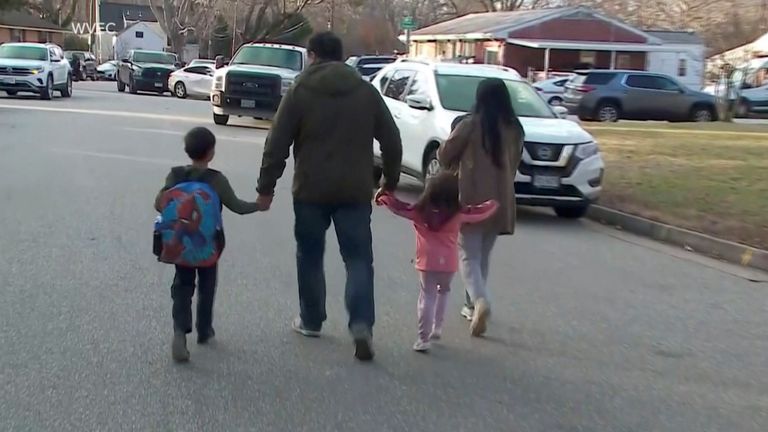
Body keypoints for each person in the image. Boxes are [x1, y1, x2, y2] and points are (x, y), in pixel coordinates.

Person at [255, 32, 402, 361]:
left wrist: (266, 187)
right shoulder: (365, 91)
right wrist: (390, 181)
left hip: (310, 189)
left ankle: (311, 320)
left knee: (309, 254)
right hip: (354, 190)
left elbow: (276, 144)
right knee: (358, 259)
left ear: (313, 55)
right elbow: (391, 140)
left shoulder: (300, 91)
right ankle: (361, 324)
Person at [154, 127, 262, 362]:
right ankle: (204, 330)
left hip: (180, 244)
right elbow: (237, 207)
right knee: (207, 285)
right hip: (208, 246)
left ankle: (180, 332)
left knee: (182, 286)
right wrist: (259, 205)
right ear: (211, 153)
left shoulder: (175, 176)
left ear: (187, 151)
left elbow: (159, 204)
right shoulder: (216, 179)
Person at [437, 78, 524, 337]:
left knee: (467, 254)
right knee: (483, 255)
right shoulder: (515, 129)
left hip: (472, 199)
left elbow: (444, 156)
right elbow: (516, 162)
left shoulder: (470, 125)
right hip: (501, 200)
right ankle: (471, 304)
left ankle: (479, 300)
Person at [376, 172, 497, 352]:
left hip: (427, 263)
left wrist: (383, 197)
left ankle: (423, 338)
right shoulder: (458, 213)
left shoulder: (419, 212)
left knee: (427, 296)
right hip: (448, 264)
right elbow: (479, 212)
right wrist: (494, 203)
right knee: (444, 292)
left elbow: (398, 207)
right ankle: (437, 327)